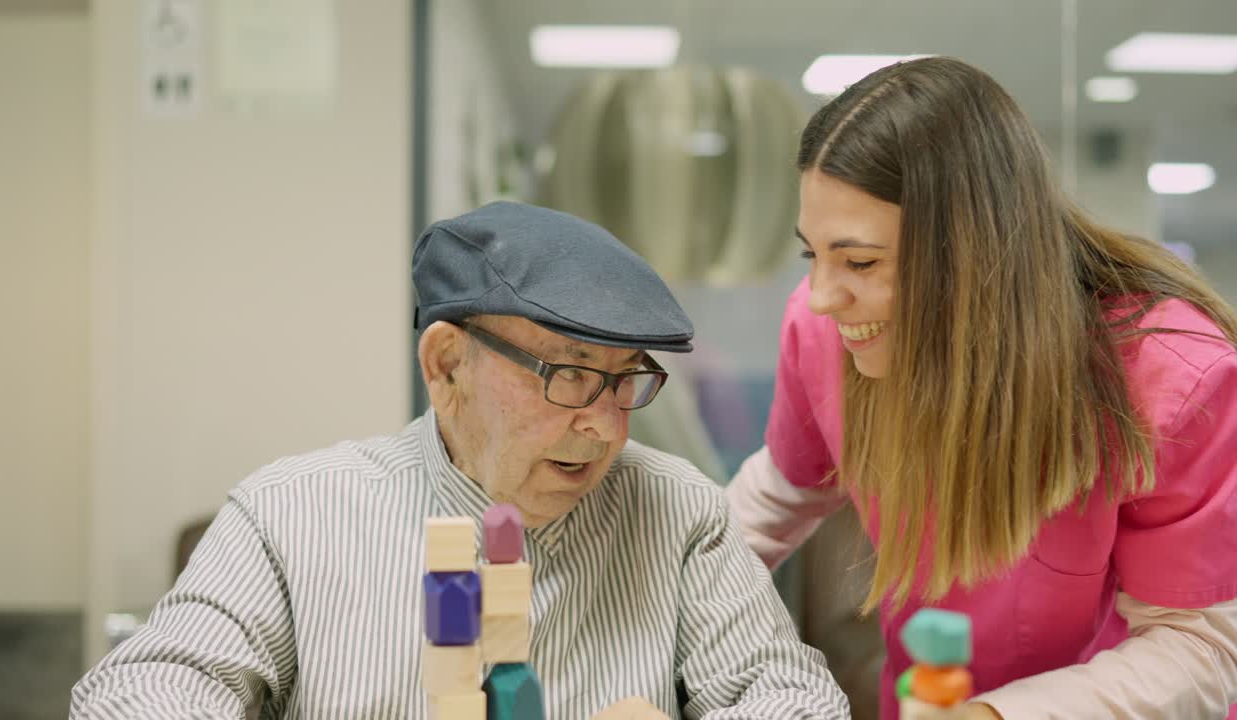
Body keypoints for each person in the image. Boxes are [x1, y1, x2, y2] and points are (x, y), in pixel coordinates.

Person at [70, 201, 851, 720]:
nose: (607, 428)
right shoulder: (290, 512)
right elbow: (139, 692)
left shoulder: (680, 511)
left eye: (627, 381)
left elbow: (795, 696)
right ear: (446, 367)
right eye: (570, 374)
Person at [726, 56, 1237, 720]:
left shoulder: (1171, 376)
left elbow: (1198, 647)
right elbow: (779, 495)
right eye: (811, 254)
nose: (822, 295)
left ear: (973, 256)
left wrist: (995, 716)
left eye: (859, 261)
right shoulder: (830, 331)